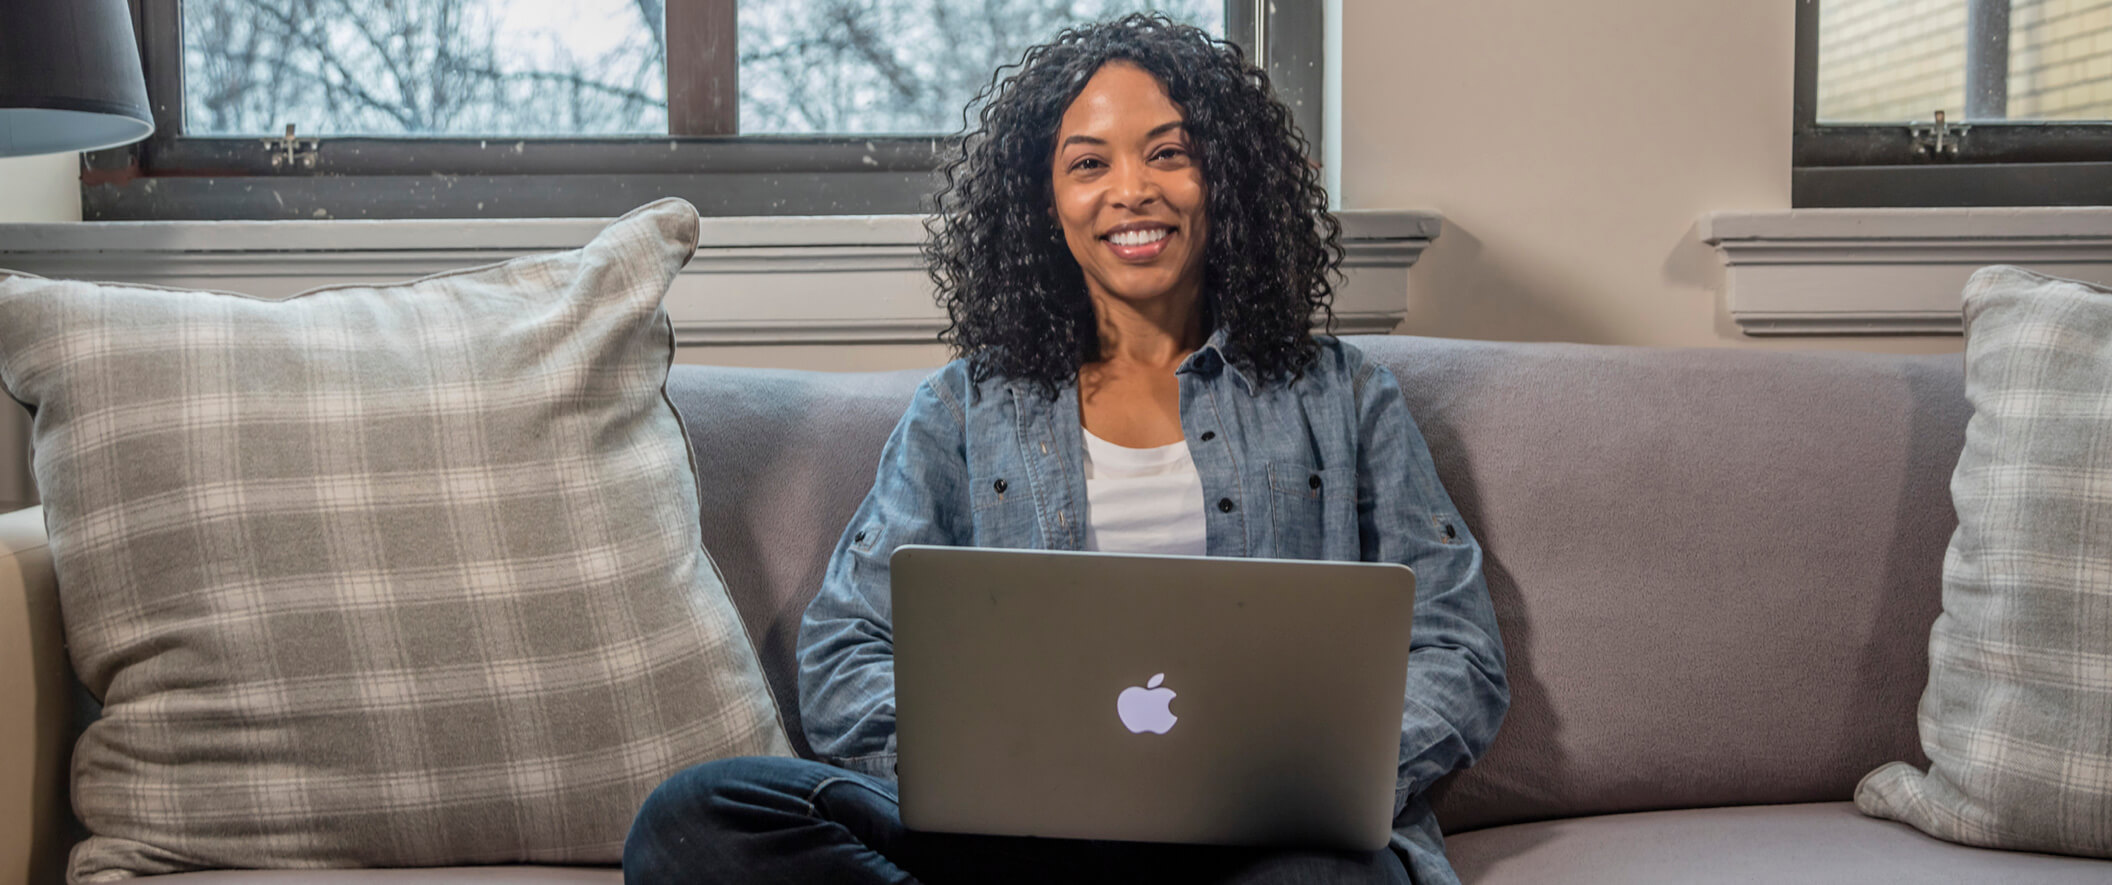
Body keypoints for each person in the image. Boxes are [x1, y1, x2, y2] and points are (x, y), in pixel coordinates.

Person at [624, 14, 1507, 884]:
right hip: (1024, 834)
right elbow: (847, 649)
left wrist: (1312, 783)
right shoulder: (964, 408)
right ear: (1044, 203)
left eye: (1169, 152)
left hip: (1266, 835)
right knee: (697, 816)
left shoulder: (1343, 395)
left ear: (1227, 177)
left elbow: (1457, 648)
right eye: (1089, 163)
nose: (1132, 189)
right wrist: (990, 769)